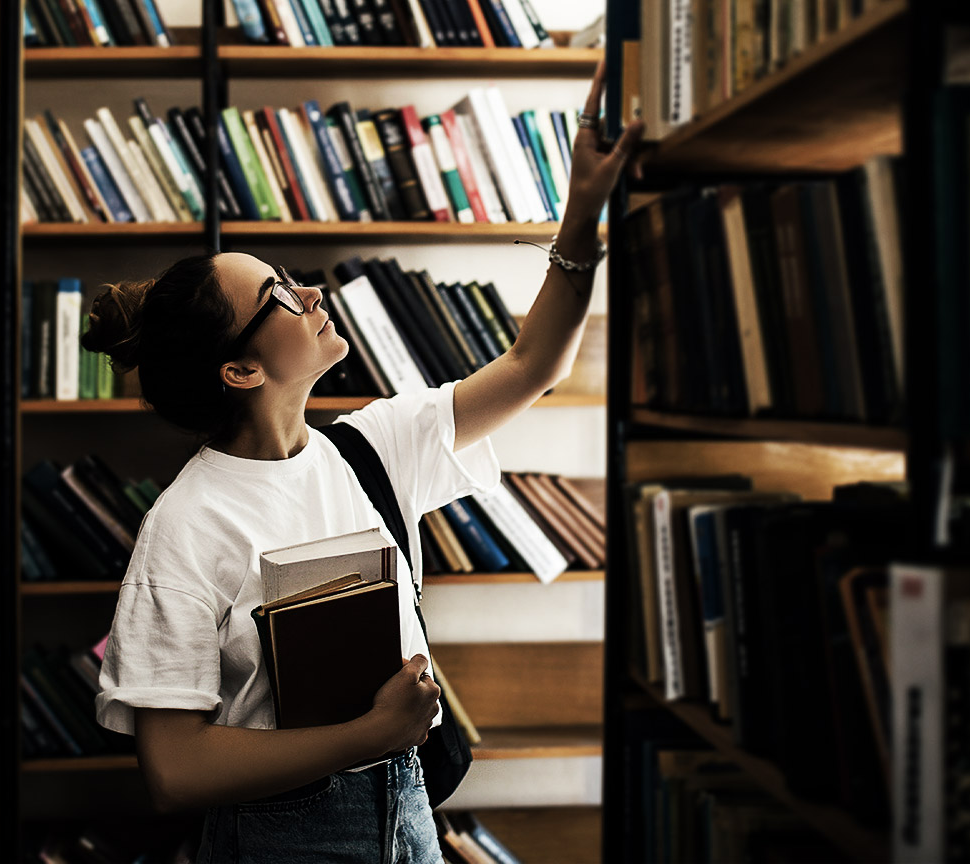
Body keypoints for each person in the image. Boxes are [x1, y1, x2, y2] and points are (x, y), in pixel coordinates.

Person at [84, 60, 645, 864]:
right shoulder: (184, 526)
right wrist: (367, 734)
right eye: (278, 295)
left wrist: (584, 206)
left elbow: (533, 367)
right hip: (280, 839)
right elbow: (173, 770)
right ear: (241, 371)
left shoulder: (373, 445)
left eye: (288, 278)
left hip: (410, 810)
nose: (310, 293)